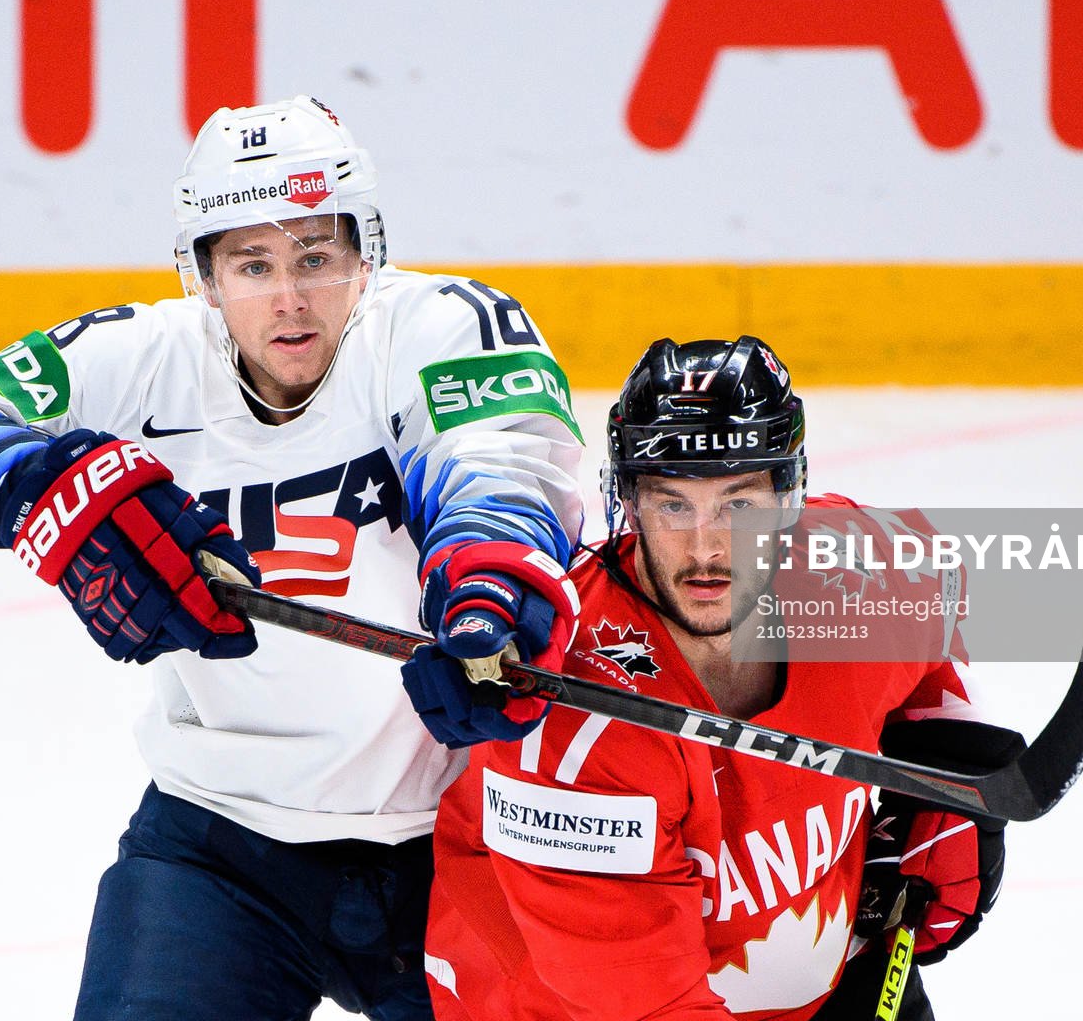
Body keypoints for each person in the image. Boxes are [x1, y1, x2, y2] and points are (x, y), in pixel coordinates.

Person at [0, 95, 584, 1021]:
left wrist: (487, 597)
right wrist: (50, 493)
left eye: (315, 257)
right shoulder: (141, 356)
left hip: (463, 840)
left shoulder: (441, 326)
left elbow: (502, 466)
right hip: (220, 846)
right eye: (253, 264)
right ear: (202, 273)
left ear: (367, 252)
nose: (289, 299)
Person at [422, 336, 1020, 1021]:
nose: (705, 548)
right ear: (630, 503)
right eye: (673, 505)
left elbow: (935, 622)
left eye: (738, 505)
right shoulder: (576, 727)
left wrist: (945, 764)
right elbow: (640, 1003)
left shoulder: (857, 571)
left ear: (786, 498)